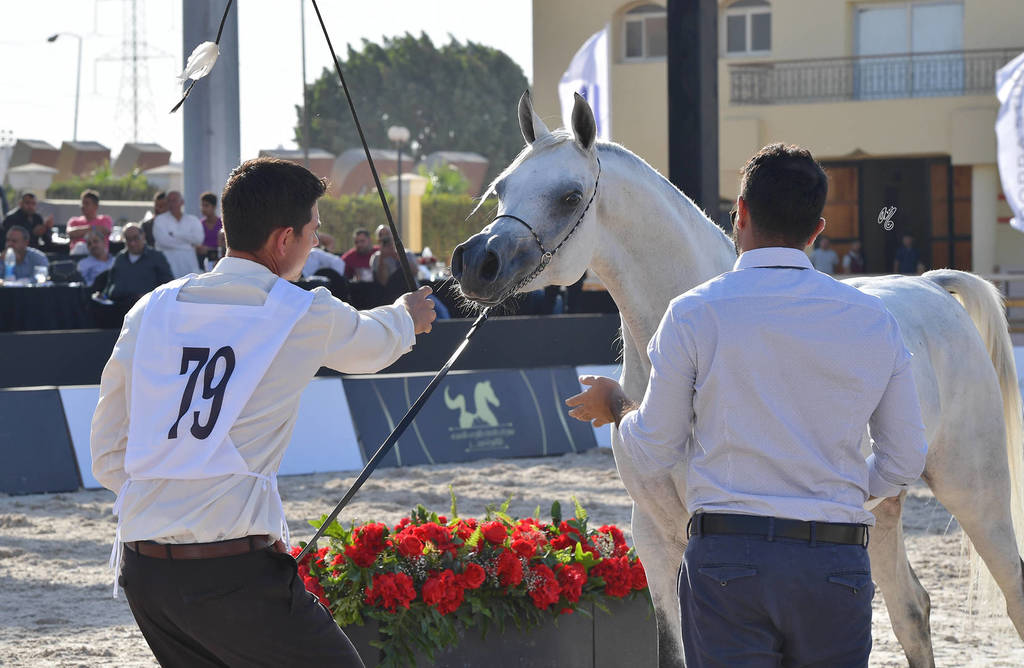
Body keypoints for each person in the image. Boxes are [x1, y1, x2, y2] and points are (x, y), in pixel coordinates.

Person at [565, 143, 928, 667]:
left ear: (740, 214)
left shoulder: (692, 314)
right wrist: (842, 492)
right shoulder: (874, 320)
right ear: (817, 230)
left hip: (729, 562)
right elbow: (905, 459)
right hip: (834, 560)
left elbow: (654, 448)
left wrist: (616, 404)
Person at [90, 157, 435, 667]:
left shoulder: (151, 307)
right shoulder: (300, 311)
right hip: (232, 574)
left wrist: (168, 506)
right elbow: (373, 345)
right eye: (313, 231)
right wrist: (408, 316)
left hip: (145, 571)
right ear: (284, 239)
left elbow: (107, 450)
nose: (315, 243)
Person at [103, 222, 173, 303]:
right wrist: (103, 295)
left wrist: (150, 297)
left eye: (135, 238)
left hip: (146, 304)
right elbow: (110, 282)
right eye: (128, 239)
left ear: (143, 236)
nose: (132, 243)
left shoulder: (156, 257)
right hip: (119, 304)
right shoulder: (120, 258)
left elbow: (168, 284)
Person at [153, 190, 205, 278]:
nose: (171, 203)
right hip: (168, 267)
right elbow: (163, 242)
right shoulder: (159, 220)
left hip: (189, 266)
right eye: (169, 201)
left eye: (174, 200)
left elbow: (199, 240)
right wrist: (188, 245)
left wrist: (174, 235)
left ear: (182, 202)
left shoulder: (193, 220)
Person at [199, 190, 224, 266]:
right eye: (202, 205)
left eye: (206, 205)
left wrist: (209, 250)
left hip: (220, 260)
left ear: (214, 207)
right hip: (203, 261)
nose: (203, 209)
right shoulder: (199, 224)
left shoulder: (222, 224)